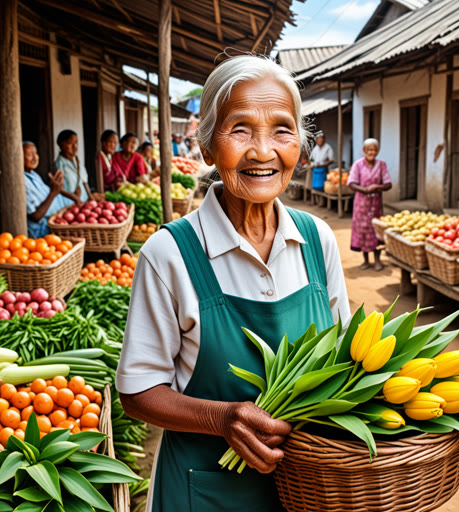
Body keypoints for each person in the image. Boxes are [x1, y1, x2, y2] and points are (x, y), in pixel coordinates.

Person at [116, 55, 351, 512]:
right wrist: (220, 418)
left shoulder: (316, 239)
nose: (262, 151)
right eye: (240, 129)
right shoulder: (170, 253)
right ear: (206, 147)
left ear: (300, 148)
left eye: (282, 130)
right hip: (203, 490)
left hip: (309, 489)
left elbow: (344, 356)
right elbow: (138, 392)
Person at [347, 138, 392, 271]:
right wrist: (365, 190)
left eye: (374, 150)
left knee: (376, 230)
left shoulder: (382, 165)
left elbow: (389, 184)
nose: (371, 152)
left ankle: (377, 260)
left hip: (376, 204)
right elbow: (351, 183)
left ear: (377, 151)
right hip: (361, 204)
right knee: (363, 231)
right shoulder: (358, 164)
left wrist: (377, 188)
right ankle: (366, 260)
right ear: (364, 151)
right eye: (369, 150)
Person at [23, 141, 75, 239]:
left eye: (36, 153)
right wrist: (53, 192)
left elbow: (52, 191)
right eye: (30, 154)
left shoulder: (34, 174)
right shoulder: (22, 181)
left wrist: (71, 196)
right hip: (42, 234)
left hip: (56, 223)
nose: (35, 158)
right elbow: (36, 216)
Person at [54, 129, 93, 204]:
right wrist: (74, 197)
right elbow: (58, 188)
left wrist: (90, 196)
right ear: (61, 144)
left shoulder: (77, 161)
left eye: (76, 142)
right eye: (70, 143)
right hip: (71, 204)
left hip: (85, 201)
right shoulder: (59, 164)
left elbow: (84, 181)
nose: (75, 146)